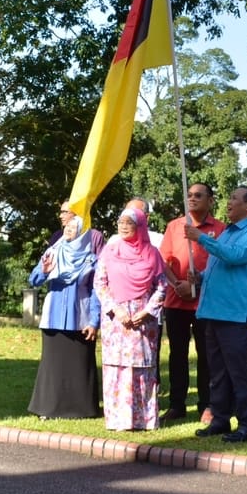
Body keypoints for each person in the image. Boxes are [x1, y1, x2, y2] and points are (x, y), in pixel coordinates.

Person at [188, 186, 247, 442]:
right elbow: (220, 266)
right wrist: (199, 277)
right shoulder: (225, 233)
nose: (229, 202)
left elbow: (234, 257)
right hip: (214, 311)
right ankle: (220, 419)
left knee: (239, 371)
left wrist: (200, 238)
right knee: (218, 371)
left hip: (237, 314)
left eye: (234, 198)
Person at [94, 205, 170, 431]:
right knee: (116, 367)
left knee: (141, 368)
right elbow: (100, 283)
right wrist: (115, 310)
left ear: (140, 227)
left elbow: (162, 286)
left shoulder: (151, 253)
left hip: (142, 320)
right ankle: (117, 420)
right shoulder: (110, 250)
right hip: (115, 319)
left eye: (129, 223)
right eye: (121, 223)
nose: (124, 227)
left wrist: (146, 312)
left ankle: (143, 420)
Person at [159, 183, 225, 422]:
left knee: (207, 355)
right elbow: (163, 262)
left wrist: (197, 285)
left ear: (210, 200)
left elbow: (221, 264)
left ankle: (207, 404)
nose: (192, 199)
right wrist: (178, 284)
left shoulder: (220, 229)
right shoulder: (174, 226)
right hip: (176, 301)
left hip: (206, 303)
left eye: (198, 195)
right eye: (189, 195)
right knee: (177, 355)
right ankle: (177, 404)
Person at [27, 216, 103, 419]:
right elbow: (34, 280)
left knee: (79, 365)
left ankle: (81, 409)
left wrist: (94, 321)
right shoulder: (53, 252)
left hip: (81, 318)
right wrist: (43, 271)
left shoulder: (91, 259)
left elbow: (97, 291)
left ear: (82, 232)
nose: (68, 229)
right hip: (53, 317)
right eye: (67, 226)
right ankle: (48, 409)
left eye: (73, 226)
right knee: (52, 366)